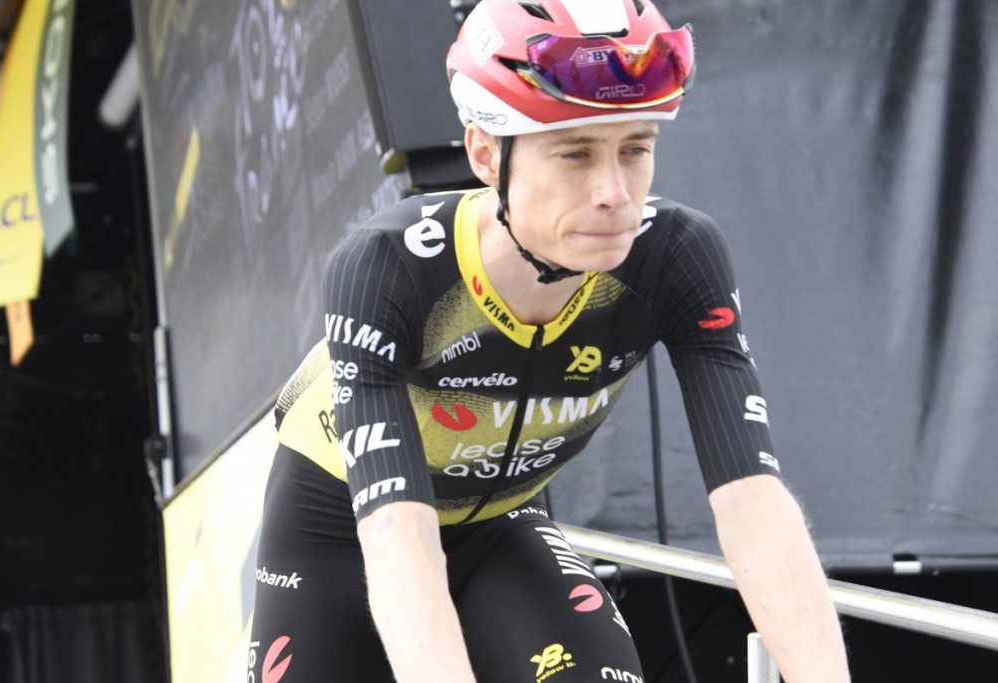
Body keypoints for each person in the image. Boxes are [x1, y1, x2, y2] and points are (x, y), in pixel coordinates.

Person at [250, 0, 851, 681]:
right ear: (486, 153)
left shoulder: (676, 256)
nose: (613, 193)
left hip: (501, 527)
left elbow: (753, 503)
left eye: (636, 149)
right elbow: (398, 537)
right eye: (575, 153)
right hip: (337, 535)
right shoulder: (389, 268)